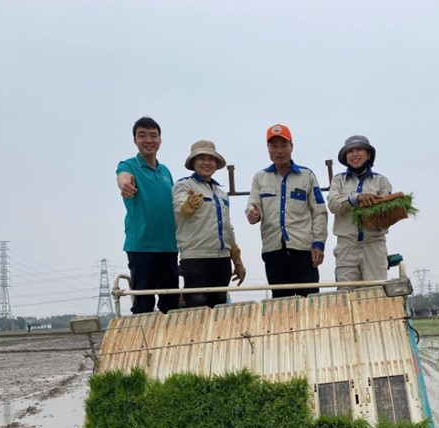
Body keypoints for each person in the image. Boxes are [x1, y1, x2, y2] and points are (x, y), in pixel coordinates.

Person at [246, 124, 328, 298]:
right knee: (281, 304)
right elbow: (253, 205)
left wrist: (319, 243)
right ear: (268, 149)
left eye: (284, 145)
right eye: (274, 146)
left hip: (304, 250)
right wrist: (253, 213)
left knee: (310, 301)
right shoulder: (260, 177)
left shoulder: (307, 176)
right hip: (273, 250)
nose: (279, 151)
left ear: (292, 147)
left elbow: (319, 211)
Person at [116, 117, 179, 314]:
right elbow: (123, 177)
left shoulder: (165, 171)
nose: (148, 140)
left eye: (153, 135)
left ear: (160, 140)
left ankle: (170, 343)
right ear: (135, 140)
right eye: (142, 135)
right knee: (143, 303)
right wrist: (125, 184)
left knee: (171, 304)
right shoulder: (129, 165)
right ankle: (144, 344)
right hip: (142, 246)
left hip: (169, 246)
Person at [173, 140, 246, 308]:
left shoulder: (221, 193)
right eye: (201, 158)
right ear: (193, 162)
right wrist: (188, 206)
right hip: (196, 258)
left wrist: (237, 261)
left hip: (222, 259)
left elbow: (227, 228)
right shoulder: (183, 186)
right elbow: (181, 210)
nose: (207, 163)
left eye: (211, 159)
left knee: (219, 307)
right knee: (197, 309)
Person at [327, 135, 393, 284]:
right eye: (350, 151)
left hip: (374, 244)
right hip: (346, 246)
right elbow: (333, 204)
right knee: (345, 294)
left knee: (375, 295)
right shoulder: (338, 180)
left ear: (368, 154)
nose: (354, 154)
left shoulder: (381, 181)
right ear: (345, 156)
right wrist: (356, 198)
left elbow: (387, 213)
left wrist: (375, 208)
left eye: (359, 150)